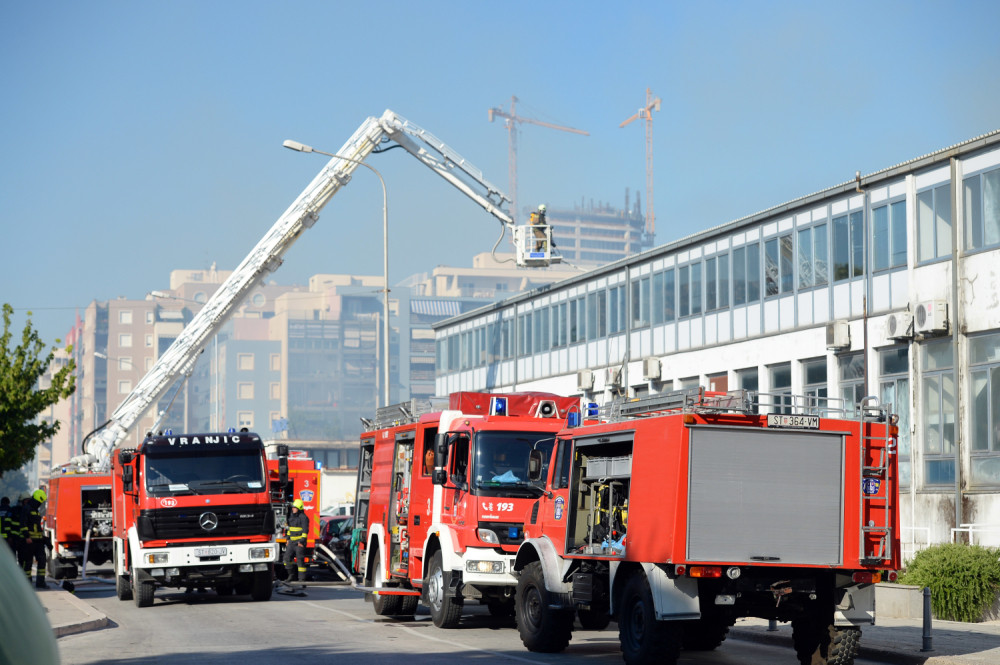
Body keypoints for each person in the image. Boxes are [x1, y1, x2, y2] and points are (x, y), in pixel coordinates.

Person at [20, 489, 47, 588]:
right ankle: (27, 583)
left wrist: (44, 539)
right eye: (40, 502)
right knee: (28, 562)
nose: (40, 504)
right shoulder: (26, 509)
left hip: (38, 541)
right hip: (29, 541)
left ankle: (40, 582)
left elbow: (37, 527)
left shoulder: (36, 510)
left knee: (42, 560)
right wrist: (27, 536)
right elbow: (23, 524)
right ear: (36, 500)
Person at [282, 499, 309, 583]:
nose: (293, 509)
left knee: (300, 561)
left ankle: (302, 580)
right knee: (286, 559)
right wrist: (288, 539)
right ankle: (291, 576)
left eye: (295, 508)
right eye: (293, 507)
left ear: (299, 508)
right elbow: (290, 529)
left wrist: (302, 541)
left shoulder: (304, 518)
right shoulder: (291, 516)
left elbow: (305, 531)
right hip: (291, 543)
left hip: (299, 543)